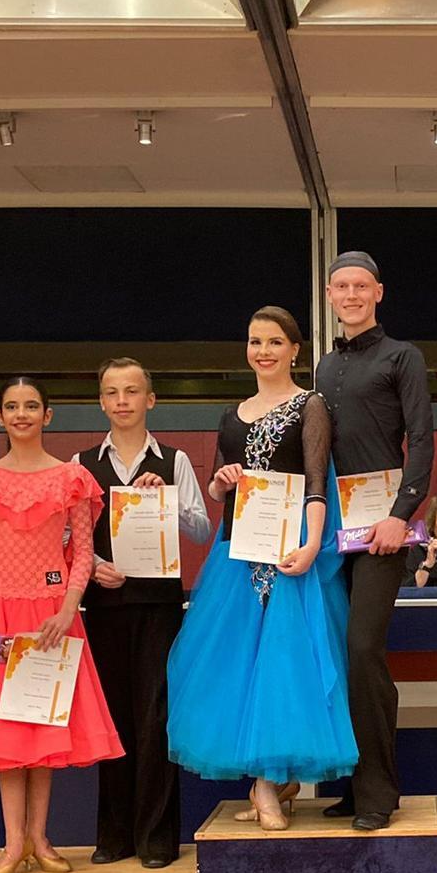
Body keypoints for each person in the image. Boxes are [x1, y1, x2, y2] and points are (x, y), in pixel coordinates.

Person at [0, 378, 124, 873]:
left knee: (43, 724)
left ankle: (39, 837)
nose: (21, 414)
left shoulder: (71, 478)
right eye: (12, 407)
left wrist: (67, 610)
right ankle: (14, 843)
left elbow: (82, 554)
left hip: (52, 617)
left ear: (47, 415)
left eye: (31, 406)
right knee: (6, 734)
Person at [166, 307, 356, 830]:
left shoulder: (309, 406)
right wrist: (221, 482)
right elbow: (216, 488)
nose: (264, 351)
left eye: (275, 342)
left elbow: (316, 480)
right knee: (241, 666)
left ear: (295, 350)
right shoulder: (232, 414)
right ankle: (270, 780)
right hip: (238, 556)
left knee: (285, 665)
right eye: (255, 341)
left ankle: (269, 784)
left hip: (290, 552)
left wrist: (312, 544)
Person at [313, 250, 434, 831]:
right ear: (330, 296)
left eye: (361, 286)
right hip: (330, 532)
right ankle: (352, 782)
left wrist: (399, 515)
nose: (352, 295)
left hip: (384, 532)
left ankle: (380, 790)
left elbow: (422, 441)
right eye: (342, 287)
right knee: (336, 655)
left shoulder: (403, 356)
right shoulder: (323, 367)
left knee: (364, 649)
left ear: (378, 292)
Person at [75, 357, 212, 869]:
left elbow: (201, 529)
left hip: (159, 608)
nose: (122, 401)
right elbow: (67, 538)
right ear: (101, 402)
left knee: (156, 719)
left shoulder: (174, 461)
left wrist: (169, 502)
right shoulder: (80, 464)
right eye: (112, 392)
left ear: (150, 400)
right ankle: (114, 837)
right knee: (113, 720)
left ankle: (156, 839)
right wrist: (93, 567)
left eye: (131, 391)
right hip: (104, 606)